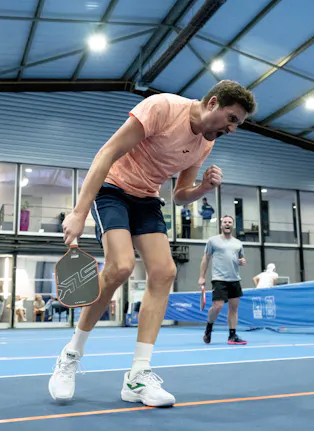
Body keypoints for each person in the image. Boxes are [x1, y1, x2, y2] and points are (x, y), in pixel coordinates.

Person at [49, 80, 256, 407]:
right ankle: (71, 354)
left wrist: (203, 188)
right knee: (120, 267)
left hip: (147, 199)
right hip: (112, 190)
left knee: (164, 272)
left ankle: (137, 376)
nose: (232, 128)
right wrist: (79, 212)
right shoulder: (162, 108)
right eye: (231, 118)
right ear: (213, 102)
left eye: (238, 124)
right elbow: (107, 152)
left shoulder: (206, 142)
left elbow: (179, 195)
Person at [199, 215, 248, 346]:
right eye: (225, 222)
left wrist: (242, 261)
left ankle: (232, 335)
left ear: (232, 225)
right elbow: (206, 259)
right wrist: (202, 276)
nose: (227, 224)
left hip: (235, 279)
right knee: (218, 306)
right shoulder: (213, 241)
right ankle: (209, 328)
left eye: (230, 222)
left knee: (233, 308)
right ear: (221, 225)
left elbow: (241, 259)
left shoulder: (238, 243)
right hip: (219, 279)